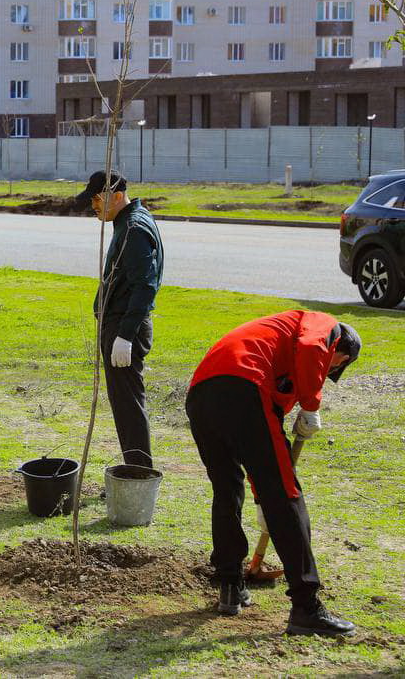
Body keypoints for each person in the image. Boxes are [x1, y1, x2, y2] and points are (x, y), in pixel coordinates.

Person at [185, 311, 360, 637]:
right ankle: (307, 607)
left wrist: (260, 499)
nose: (328, 371)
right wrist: (311, 405)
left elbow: (261, 442)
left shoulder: (276, 351)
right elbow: (311, 347)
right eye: (334, 367)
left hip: (201, 395)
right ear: (343, 354)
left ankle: (230, 585)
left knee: (227, 489)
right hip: (243, 386)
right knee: (286, 493)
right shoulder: (326, 326)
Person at [73, 170, 164, 469]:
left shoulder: (134, 229)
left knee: (128, 406)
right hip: (120, 324)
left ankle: (138, 474)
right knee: (125, 404)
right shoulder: (125, 222)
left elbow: (145, 285)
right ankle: (134, 468)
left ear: (115, 195)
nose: (93, 206)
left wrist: (125, 335)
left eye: (97, 199)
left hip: (126, 328)